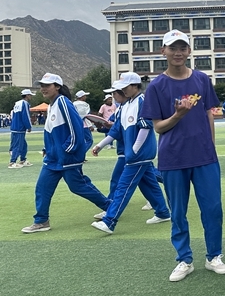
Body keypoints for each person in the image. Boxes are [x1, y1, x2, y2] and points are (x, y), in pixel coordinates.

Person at [141, 30, 225, 282]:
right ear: (163, 51)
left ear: (189, 51)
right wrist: (178, 115)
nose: (178, 53)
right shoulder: (156, 86)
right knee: (178, 212)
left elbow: (209, 113)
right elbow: (158, 127)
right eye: (173, 48)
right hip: (173, 158)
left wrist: (211, 145)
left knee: (212, 209)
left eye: (182, 48)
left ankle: (214, 256)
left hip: (204, 157)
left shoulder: (201, 79)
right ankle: (184, 259)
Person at [21, 73, 111, 233]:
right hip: (53, 158)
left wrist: (68, 149)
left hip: (67, 157)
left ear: (57, 87)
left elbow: (76, 127)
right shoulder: (52, 105)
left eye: (47, 85)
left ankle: (110, 207)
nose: (43, 88)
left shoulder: (63, 102)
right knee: (42, 187)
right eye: (42, 85)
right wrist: (47, 149)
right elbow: (51, 132)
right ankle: (41, 221)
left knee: (78, 186)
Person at [90, 73, 171, 234]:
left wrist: (135, 149)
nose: (123, 91)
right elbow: (116, 130)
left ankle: (109, 221)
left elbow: (146, 126)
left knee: (123, 187)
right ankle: (162, 212)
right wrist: (100, 145)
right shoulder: (124, 105)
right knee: (148, 183)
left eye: (125, 87)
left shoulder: (142, 101)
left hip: (139, 154)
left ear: (135, 86)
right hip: (136, 154)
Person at [9, 88, 34, 168]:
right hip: (19, 128)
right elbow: (25, 116)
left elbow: (13, 115)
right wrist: (29, 126)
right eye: (30, 95)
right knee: (18, 145)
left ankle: (23, 160)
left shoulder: (17, 103)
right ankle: (12, 162)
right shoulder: (25, 103)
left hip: (15, 126)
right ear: (27, 96)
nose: (31, 97)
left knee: (23, 145)